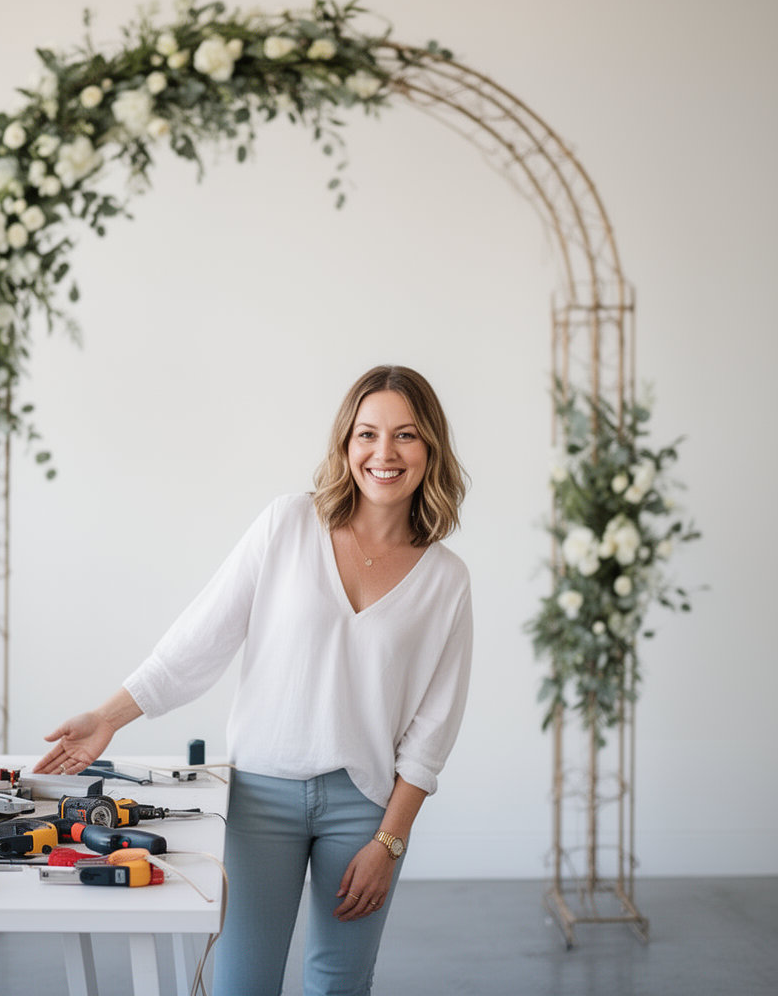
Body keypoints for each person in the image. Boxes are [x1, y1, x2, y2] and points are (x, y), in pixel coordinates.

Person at [34, 365, 472, 996]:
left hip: (366, 809)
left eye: (405, 435)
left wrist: (390, 840)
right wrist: (108, 717)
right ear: (345, 444)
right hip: (259, 800)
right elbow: (198, 642)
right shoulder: (287, 525)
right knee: (242, 983)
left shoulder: (446, 580)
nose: (384, 453)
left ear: (430, 448)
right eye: (367, 433)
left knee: (339, 985)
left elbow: (433, 729)